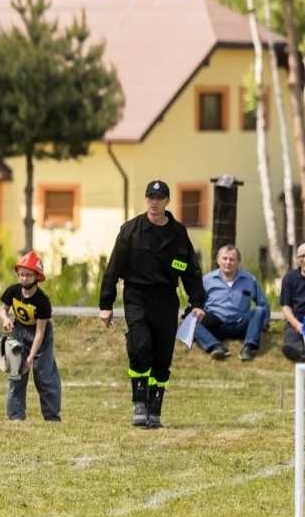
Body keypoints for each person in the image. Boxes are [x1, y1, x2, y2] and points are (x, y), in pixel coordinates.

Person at [98, 180, 206, 429]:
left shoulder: (178, 233)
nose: (154, 202)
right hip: (136, 296)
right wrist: (106, 304)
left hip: (166, 298)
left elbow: (191, 271)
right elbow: (112, 269)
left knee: (162, 355)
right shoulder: (130, 230)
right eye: (150, 197)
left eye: (159, 198)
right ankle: (139, 403)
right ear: (146, 200)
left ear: (168, 201)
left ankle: (155, 408)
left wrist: (197, 302)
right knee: (140, 346)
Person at [0, 251, 61, 422]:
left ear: (37, 276)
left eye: (28, 275)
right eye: (21, 274)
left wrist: (31, 357)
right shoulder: (13, 290)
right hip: (19, 332)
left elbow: (40, 332)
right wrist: (5, 319)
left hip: (39, 337)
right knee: (16, 374)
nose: (24, 278)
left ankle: (52, 416)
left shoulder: (42, 301)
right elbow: (3, 310)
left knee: (44, 376)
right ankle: (15, 416)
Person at [194, 244, 269, 361]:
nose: (228, 262)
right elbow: (197, 303)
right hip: (215, 325)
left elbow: (263, 303)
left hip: (240, 325)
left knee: (258, 311)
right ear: (218, 260)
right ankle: (216, 347)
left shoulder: (250, 280)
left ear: (238, 262)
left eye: (232, 259)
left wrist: (263, 325)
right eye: (225, 258)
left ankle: (248, 348)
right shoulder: (206, 280)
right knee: (191, 319)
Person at [281, 244, 305, 363]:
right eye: (302, 256)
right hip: (296, 321)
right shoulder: (289, 278)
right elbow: (286, 307)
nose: (304, 259)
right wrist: (297, 325)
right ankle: (299, 355)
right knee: (290, 339)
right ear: (297, 259)